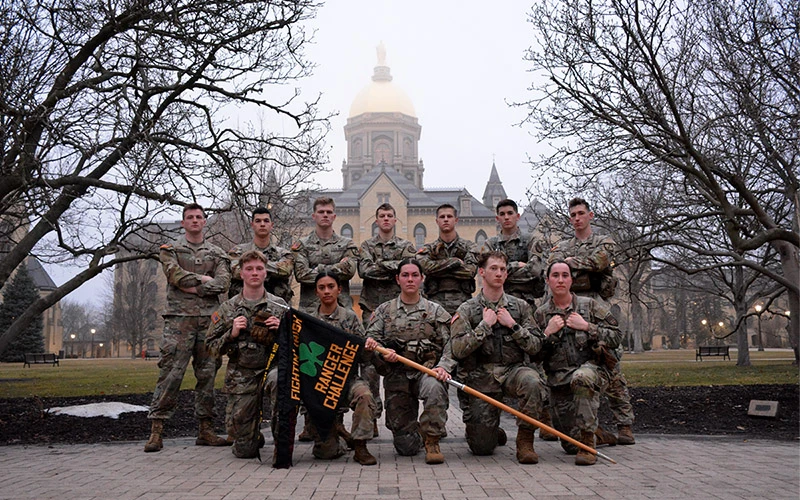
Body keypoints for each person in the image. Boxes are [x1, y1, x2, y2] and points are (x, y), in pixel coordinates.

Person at [144, 203, 231, 453]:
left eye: (199, 217)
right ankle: (157, 430)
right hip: (179, 322)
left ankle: (206, 430)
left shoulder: (217, 253)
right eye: (189, 217)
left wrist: (196, 286)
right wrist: (205, 280)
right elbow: (175, 277)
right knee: (170, 374)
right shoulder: (171, 249)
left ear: (205, 222)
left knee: (207, 375)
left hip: (208, 322)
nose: (194, 220)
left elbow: (223, 283)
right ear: (183, 223)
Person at [549, 197, 635, 445]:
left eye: (580, 213)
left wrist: (574, 263)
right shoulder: (563, 246)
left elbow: (601, 261)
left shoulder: (603, 242)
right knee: (574, 365)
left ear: (591, 215)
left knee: (610, 364)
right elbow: (555, 267)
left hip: (598, 306)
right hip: (571, 307)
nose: (576, 218)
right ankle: (586, 427)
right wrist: (577, 266)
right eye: (573, 215)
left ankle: (625, 424)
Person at [449, 251, 546, 464]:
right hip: (482, 378)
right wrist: (484, 326)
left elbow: (537, 346)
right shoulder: (468, 309)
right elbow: (457, 349)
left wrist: (513, 325)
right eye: (493, 268)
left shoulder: (519, 307)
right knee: (482, 448)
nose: (499, 273)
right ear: (482, 272)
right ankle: (491, 431)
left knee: (532, 382)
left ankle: (525, 440)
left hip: (513, 372)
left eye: (502, 269)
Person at [480, 198, 556, 442]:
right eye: (501, 213)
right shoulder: (491, 243)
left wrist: (503, 270)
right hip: (497, 307)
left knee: (533, 362)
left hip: (526, 309)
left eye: (510, 213)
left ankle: (543, 418)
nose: (506, 217)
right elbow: (487, 270)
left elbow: (535, 270)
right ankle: (494, 423)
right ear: (497, 217)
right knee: (498, 360)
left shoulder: (531, 240)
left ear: (517, 215)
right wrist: (516, 267)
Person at [532, 260, 621, 465]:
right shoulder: (541, 314)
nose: (560, 280)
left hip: (590, 371)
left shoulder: (589, 306)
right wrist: (546, 334)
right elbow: (533, 353)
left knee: (582, 378)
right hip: (559, 381)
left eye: (565, 275)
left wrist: (588, 326)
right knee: (570, 445)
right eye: (555, 275)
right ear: (548, 281)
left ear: (571, 279)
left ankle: (588, 443)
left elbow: (616, 336)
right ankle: (597, 434)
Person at [366, 258, 455, 464]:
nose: (410, 279)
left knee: (434, 388)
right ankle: (414, 430)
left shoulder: (435, 311)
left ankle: (432, 438)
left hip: (427, 372)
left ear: (422, 279)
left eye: (415, 275)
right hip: (397, 378)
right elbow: (370, 341)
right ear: (397, 279)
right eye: (405, 275)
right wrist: (381, 352)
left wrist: (443, 366)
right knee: (406, 448)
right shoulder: (383, 311)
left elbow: (451, 345)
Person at [205, 250, 287, 459]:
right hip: (242, 375)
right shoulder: (228, 308)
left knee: (280, 382)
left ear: (266, 273)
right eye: (249, 269)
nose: (254, 273)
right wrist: (230, 334)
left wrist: (283, 331)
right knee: (244, 451)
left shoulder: (280, 306)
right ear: (241, 274)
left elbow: (299, 345)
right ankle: (250, 434)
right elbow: (210, 347)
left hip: (272, 369)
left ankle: (282, 439)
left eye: (259, 269)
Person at [298, 271, 379, 465]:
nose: (327, 291)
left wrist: (368, 347)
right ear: (316, 292)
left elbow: (363, 356)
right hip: (317, 383)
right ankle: (339, 434)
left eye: (331, 287)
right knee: (325, 453)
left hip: (346, 378)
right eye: (322, 288)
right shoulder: (307, 319)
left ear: (339, 290)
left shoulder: (349, 318)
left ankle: (360, 445)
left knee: (365, 395)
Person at [357, 203, 417, 436]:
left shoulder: (406, 245)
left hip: (397, 313)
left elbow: (407, 269)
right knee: (370, 365)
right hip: (371, 311)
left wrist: (379, 266)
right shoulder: (366, 245)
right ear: (376, 219)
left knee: (397, 363)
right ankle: (371, 417)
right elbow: (364, 271)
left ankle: (401, 417)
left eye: (389, 216)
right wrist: (392, 269)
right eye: (381, 215)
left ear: (395, 219)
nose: (385, 219)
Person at [292, 196, 359, 312]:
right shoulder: (302, 245)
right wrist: (338, 267)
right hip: (310, 312)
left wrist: (316, 269)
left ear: (334, 216)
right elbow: (301, 274)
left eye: (329, 212)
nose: (325, 215)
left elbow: (349, 271)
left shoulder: (347, 244)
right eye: (321, 212)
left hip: (341, 311)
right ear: (314, 216)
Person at [416, 203, 479, 315]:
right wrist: (454, 262)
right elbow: (426, 268)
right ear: (437, 221)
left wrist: (438, 269)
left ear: (456, 220)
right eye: (442, 217)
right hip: (435, 305)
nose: (446, 220)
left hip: (463, 304)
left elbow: (470, 271)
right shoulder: (429, 248)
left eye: (449, 216)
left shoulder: (469, 247)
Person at [228, 207, 294, 303]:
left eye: (266, 221)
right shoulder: (238, 251)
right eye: (258, 221)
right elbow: (236, 271)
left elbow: (286, 270)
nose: (262, 224)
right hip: (242, 306)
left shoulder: (283, 253)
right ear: (252, 225)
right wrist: (273, 268)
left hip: (277, 307)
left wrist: (251, 267)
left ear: (271, 225)